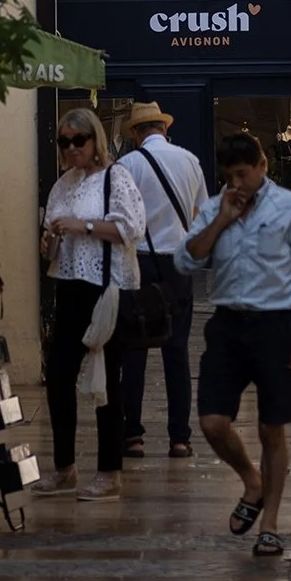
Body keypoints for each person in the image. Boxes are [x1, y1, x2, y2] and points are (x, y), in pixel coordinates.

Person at [175, 129, 291, 560]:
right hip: (226, 325)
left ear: (262, 166)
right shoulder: (214, 207)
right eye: (229, 176)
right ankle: (251, 480)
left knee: (271, 427)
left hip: (274, 324)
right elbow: (185, 260)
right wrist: (222, 219)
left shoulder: (289, 207)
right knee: (212, 422)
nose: (237, 183)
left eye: (243, 174)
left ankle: (270, 526)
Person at [35, 106, 145, 500]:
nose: (71, 148)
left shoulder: (116, 178)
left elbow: (131, 228)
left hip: (105, 286)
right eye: (63, 142)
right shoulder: (63, 184)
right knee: (59, 376)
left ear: (94, 139)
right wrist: (50, 239)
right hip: (69, 284)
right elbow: (52, 235)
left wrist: (81, 226)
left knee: (107, 379)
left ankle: (109, 471)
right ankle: (64, 466)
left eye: (77, 140)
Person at [116, 102, 207, 459]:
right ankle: (179, 438)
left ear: (136, 133)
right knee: (177, 352)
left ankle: (133, 436)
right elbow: (199, 214)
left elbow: (120, 218)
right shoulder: (190, 161)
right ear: (164, 129)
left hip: (139, 263)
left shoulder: (128, 165)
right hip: (178, 264)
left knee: (134, 349)